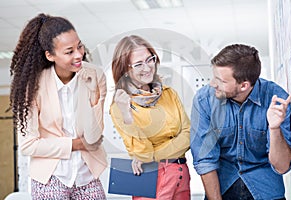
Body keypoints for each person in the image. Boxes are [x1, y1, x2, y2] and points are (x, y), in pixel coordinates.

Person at [10, 13, 107, 199]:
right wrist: (74, 144)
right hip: (50, 177)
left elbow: (94, 137)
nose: (79, 55)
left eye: (79, 46)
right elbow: (28, 145)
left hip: (87, 175)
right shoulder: (32, 86)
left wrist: (94, 95)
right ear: (50, 55)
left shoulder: (95, 75)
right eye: (69, 51)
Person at [190, 44, 291, 200]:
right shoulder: (205, 100)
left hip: (266, 190)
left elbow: (282, 166)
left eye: (220, 80)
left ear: (244, 85)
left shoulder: (277, 100)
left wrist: (274, 128)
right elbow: (205, 160)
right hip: (221, 188)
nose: (212, 84)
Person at [110, 35, 191, 200]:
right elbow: (142, 152)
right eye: (138, 64)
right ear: (125, 69)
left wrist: (154, 155)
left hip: (180, 173)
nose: (147, 68)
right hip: (151, 176)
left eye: (150, 60)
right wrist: (126, 114)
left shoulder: (169, 94)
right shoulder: (120, 106)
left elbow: (188, 135)